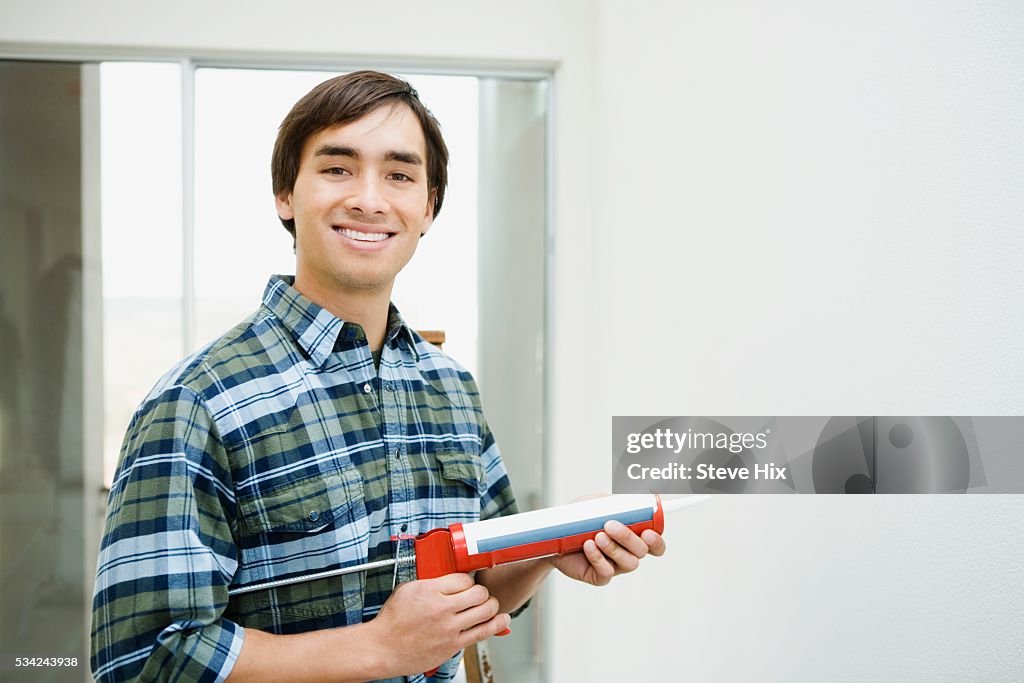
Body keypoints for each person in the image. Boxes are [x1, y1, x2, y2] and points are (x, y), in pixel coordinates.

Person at [90, 70, 666, 682]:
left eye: (399, 174)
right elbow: (140, 660)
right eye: (338, 168)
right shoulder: (199, 402)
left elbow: (479, 585)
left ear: (428, 205)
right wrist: (382, 648)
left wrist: (554, 546)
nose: (369, 198)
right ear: (286, 194)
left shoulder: (449, 388)